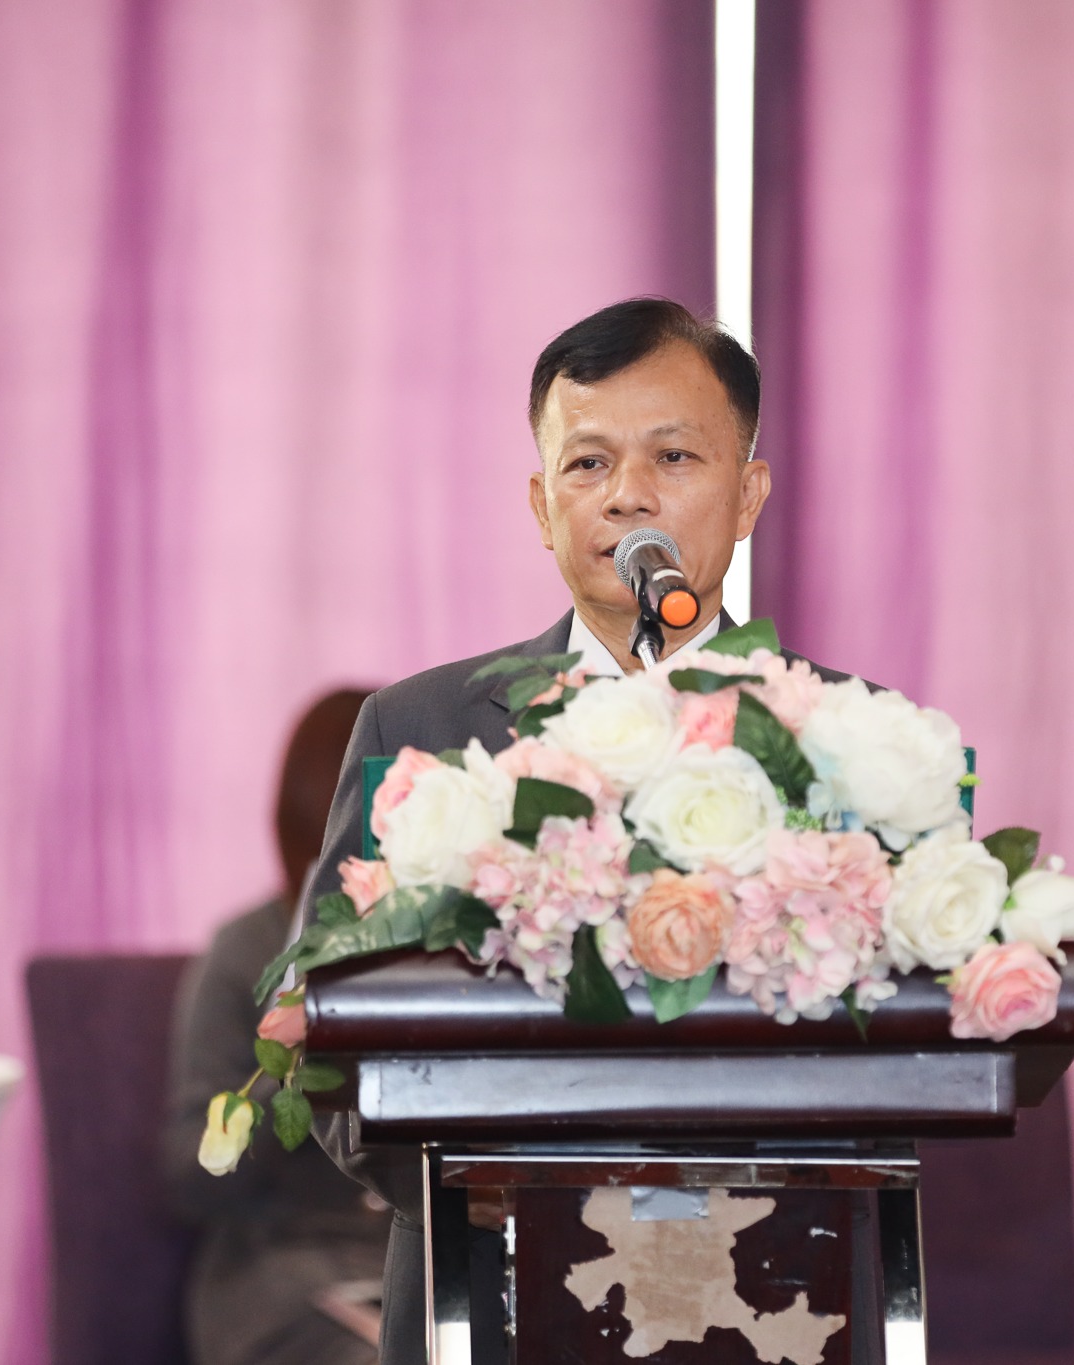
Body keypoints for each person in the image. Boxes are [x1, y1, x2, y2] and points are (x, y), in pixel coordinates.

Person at [292, 298, 869, 1365]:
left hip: (782, 1290)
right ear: (540, 502)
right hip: (487, 1292)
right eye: (588, 463)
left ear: (748, 494)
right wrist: (480, 1189)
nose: (626, 496)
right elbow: (320, 1028)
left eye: (673, 458)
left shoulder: (852, 735)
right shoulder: (422, 730)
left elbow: (907, 1020)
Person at [163, 687, 392, 1365]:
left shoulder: (446, 949)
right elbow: (190, 1176)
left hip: (412, 1260)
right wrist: (295, 1057)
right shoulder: (246, 952)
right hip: (281, 1269)